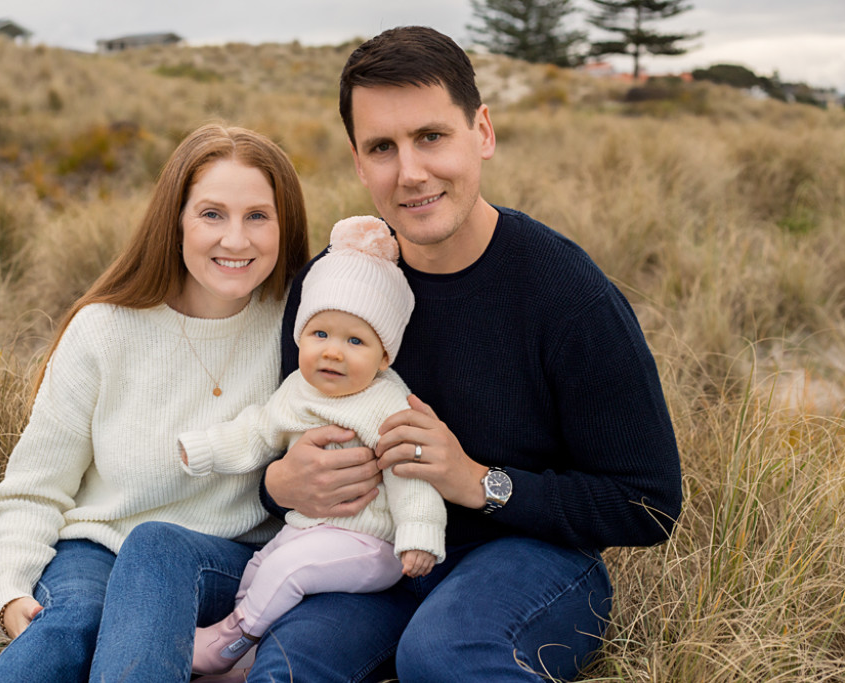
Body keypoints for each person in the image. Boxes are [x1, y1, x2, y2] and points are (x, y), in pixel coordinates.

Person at [247, 26, 684, 682]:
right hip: (372, 553)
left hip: (533, 559)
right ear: (359, 161)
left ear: (481, 130)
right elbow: (284, 441)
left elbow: (647, 500)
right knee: (286, 663)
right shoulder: (333, 286)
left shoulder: (565, 291)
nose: (411, 171)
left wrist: (479, 481)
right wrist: (277, 484)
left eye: (431, 136)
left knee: (443, 653)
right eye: (382, 148)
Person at [0, 123, 309, 682]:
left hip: (232, 563)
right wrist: (12, 590)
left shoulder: (307, 327)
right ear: (175, 219)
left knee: (158, 562)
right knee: (73, 624)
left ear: (285, 225)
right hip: (100, 550)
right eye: (211, 214)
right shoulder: (105, 329)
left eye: (257, 216)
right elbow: (34, 487)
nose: (236, 239)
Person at [179, 215, 446, 675]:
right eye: (320, 334)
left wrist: (418, 534)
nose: (333, 351)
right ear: (301, 335)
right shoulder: (297, 390)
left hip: (370, 543)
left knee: (291, 569)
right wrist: (204, 450)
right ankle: (241, 663)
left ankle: (232, 635)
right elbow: (257, 430)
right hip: (308, 529)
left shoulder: (387, 403)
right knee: (262, 566)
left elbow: (412, 473)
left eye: (355, 340)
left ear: (384, 356)